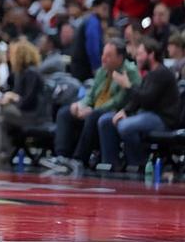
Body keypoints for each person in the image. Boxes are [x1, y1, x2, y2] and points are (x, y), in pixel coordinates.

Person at [54, 39, 140, 170]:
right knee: (65, 112)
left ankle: (79, 159)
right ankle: (61, 157)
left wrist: (92, 109)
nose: (103, 58)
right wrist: (81, 105)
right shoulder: (102, 70)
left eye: (108, 55)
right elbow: (91, 94)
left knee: (94, 115)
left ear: (120, 58)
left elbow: (120, 100)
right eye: (103, 54)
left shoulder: (130, 72)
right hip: (95, 109)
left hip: (116, 111)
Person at [99, 38, 180, 169]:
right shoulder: (150, 74)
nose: (137, 58)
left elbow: (146, 100)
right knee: (106, 121)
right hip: (146, 115)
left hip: (162, 119)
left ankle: (137, 164)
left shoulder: (162, 73)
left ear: (151, 54)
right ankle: (111, 165)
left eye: (140, 54)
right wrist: (124, 111)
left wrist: (128, 86)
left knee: (125, 126)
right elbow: (137, 100)